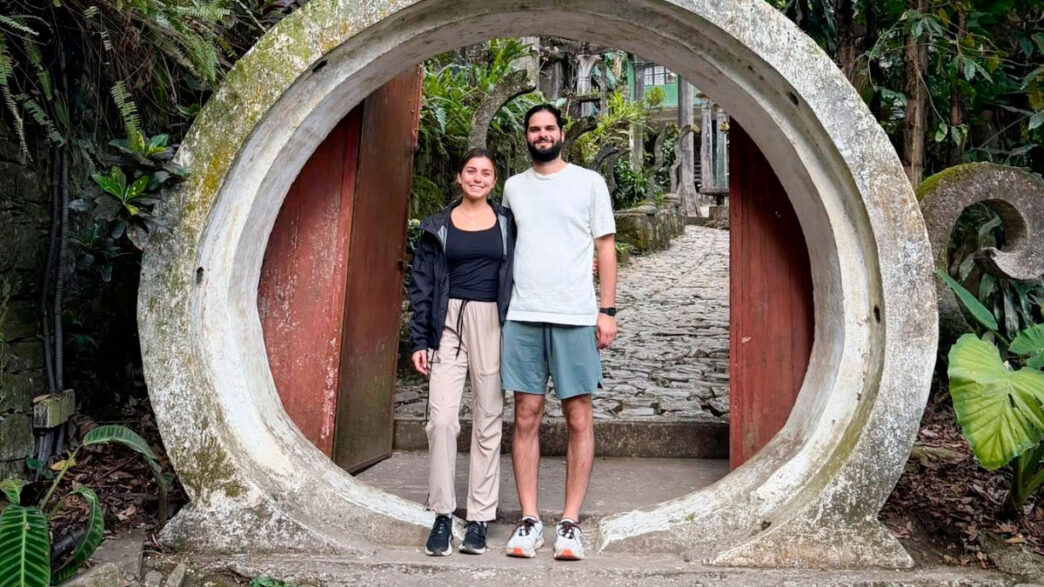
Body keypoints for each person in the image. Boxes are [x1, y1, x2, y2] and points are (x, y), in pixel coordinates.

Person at [501, 104, 617, 561]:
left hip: (575, 313)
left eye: (549, 127)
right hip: (524, 313)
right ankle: (529, 520)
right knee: (525, 415)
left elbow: (605, 246)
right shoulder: (512, 187)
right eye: (535, 129)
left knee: (578, 417)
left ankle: (569, 523)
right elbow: (506, 247)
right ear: (526, 136)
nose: (542, 134)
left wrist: (606, 310)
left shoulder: (588, 183)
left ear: (561, 133)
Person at [407, 148, 515, 557]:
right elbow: (422, 284)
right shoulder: (438, 225)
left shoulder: (506, 223)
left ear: (494, 180)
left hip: (491, 322)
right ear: (459, 177)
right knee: (442, 420)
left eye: (486, 172)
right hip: (446, 320)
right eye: (471, 171)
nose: (478, 178)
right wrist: (420, 339)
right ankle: (441, 514)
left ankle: (480, 518)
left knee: (488, 419)